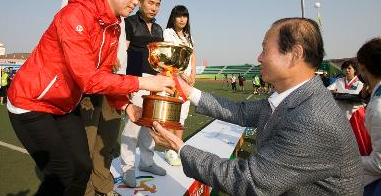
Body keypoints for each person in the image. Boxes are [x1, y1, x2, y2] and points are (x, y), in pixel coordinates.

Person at [7, 0, 175, 196]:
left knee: (83, 168)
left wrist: (125, 105)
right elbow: (88, 79)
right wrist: (144, 82)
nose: (137, 1)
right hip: (31, 102)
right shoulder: (75, 14)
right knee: (61, 172)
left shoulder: (115, 26)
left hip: (64, 105)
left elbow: (105, 74)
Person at [150, 18, 363, 195]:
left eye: (264, 49)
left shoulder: (313, 119)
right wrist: (189, 92)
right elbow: (240, 111)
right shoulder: (293, 98)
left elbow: (248, 180)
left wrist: (180, 147)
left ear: (295, 55)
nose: (258, 58)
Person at [61, 0, 128, 196]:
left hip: (114, 79)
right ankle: (86, 190)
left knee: (107, 140)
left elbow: (120, 39)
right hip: (89, 76)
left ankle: (103, 185)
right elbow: (69, 25)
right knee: (87, 140)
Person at [120, 0, 166, 187]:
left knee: (151, 124)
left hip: (155, 80)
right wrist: (129, 81)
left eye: (157, 4)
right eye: (150, 3)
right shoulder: (129, 22)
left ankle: (147, 162)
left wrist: (163, 78)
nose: (154, 8)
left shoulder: (158, 29)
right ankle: (128, 167)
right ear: (140, 1)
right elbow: (124, 53)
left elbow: (161, 58)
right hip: (136, 76)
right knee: (134, 124)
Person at [162, 5, 196, 166]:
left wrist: (193, 74)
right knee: (172, 115)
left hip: (188, 80)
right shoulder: (168, 32)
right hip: (174, 78)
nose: (182, 19)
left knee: (182, 115)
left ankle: (178, 149)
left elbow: (193, 55)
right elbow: (170, 55)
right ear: (173, 18)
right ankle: (169, 150)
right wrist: (182, 74)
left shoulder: (188, 36)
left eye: (185, 16)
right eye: (179, 16)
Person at [356, 37, 381, 194]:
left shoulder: (378, 106)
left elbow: (379, 164)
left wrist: (346, 159)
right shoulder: (375, 94)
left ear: (363, 67)